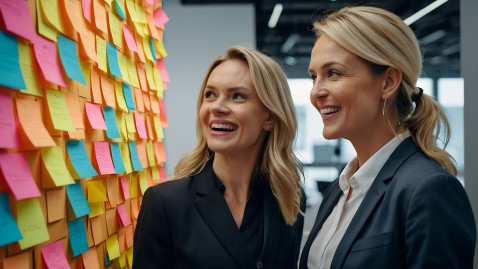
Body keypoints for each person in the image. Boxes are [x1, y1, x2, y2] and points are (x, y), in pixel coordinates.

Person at [300, 6, 476, 269]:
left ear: (388, 82)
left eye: (333, 73)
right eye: (314, 77)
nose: (316, 92)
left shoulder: (428, 190)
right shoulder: (340, 190)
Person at [133, 46, 305, 269]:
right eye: (210, 95)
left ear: (269, 117)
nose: (217, 107)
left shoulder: (288, 199)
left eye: (238, 96)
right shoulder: (165, 203)